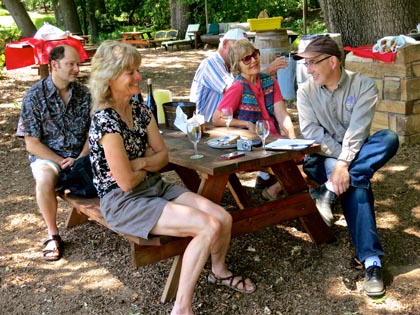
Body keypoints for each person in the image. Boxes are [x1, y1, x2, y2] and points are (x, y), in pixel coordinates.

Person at [88, 40, 256, 315]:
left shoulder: (140, 110)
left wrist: (140, 162)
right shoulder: (105, 121)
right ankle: (182, 308)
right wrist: (146, 165)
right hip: (124, 201)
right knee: (207, 226)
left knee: (223, 218)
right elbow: (126, 183)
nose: (138, 77)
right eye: (130, 72)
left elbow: (163, 156)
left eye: (137, 69)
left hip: (154, 187)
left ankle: (219, 272)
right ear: (109, 77)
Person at [293, 35, 399, 297]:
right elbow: (312, 133)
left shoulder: (363, 86)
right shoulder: (305, 91)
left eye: (312, 63)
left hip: (351, 154)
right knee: (355, 182)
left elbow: (358, 130)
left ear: (332, 61)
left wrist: (342, 166)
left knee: (388, 138)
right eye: (305, 64)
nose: (308, 70)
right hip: (322, 159)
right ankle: (372, 262)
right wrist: (344, 163)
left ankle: (327, 191)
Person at [16, 44, 91, 261]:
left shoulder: (85, 93)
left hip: (81, 155)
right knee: (44, 179)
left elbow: (93, 131)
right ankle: (53, 235)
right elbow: (32, 144)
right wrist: (60, 160)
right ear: (54, 65)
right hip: (49, 157)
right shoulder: (34, 96)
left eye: (78, 64)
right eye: (71, 64)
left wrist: (81, 156)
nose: (77, 69)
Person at [212, 39, 296, 200]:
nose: (253, 60)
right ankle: (273, 188)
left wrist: (293, 140)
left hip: (273, 140)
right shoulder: (237, 87)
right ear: (237, 65)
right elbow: (217, 118)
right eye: (246, 59)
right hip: (253, 145)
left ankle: (272, 187)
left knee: (307, 161)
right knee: (305, 168)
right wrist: (245, 123)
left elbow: (282, 114)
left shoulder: (270, 81)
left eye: (255, 54)